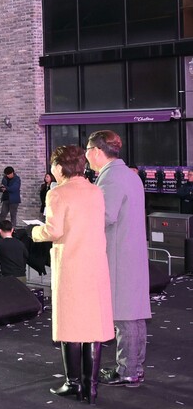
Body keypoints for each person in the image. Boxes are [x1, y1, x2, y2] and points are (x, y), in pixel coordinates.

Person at [31, 145, 113, 403]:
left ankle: (73, 383)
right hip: (95, 265)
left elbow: (53, 231)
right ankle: (92, 386)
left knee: (70, 327)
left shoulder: (58, 194)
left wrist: (34, 232)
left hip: (71, 266)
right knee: (91, 327)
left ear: (58, 167)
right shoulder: (96, 191)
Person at [86, 129, 152, 389]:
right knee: (134, 316)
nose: (86, 156)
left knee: (124, 317)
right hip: (132, 253)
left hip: (119, 257)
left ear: (97, 151)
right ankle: (135, 368)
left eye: (88, 150)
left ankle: (128, 370)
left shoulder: (110, 178)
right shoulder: (129, 175)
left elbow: (105, 217)